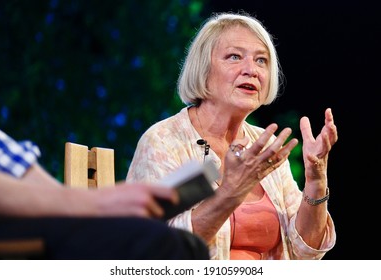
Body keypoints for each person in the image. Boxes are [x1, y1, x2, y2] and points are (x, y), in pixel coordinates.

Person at [126, 12, 338, 260]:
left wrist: (316, 178)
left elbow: (305, 251)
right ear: (203, 69)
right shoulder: (166, 141)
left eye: (261, 61)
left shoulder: (266, 145)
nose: (251, 70)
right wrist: (231, 192)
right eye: (234, 57)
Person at [0, 122, 209, 259]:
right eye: (234, 57)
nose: (245, 68)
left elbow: (17, 168)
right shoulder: (164, 137)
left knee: (188, 246)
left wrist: (96, 206)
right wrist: (97, 202)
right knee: (162, 244)